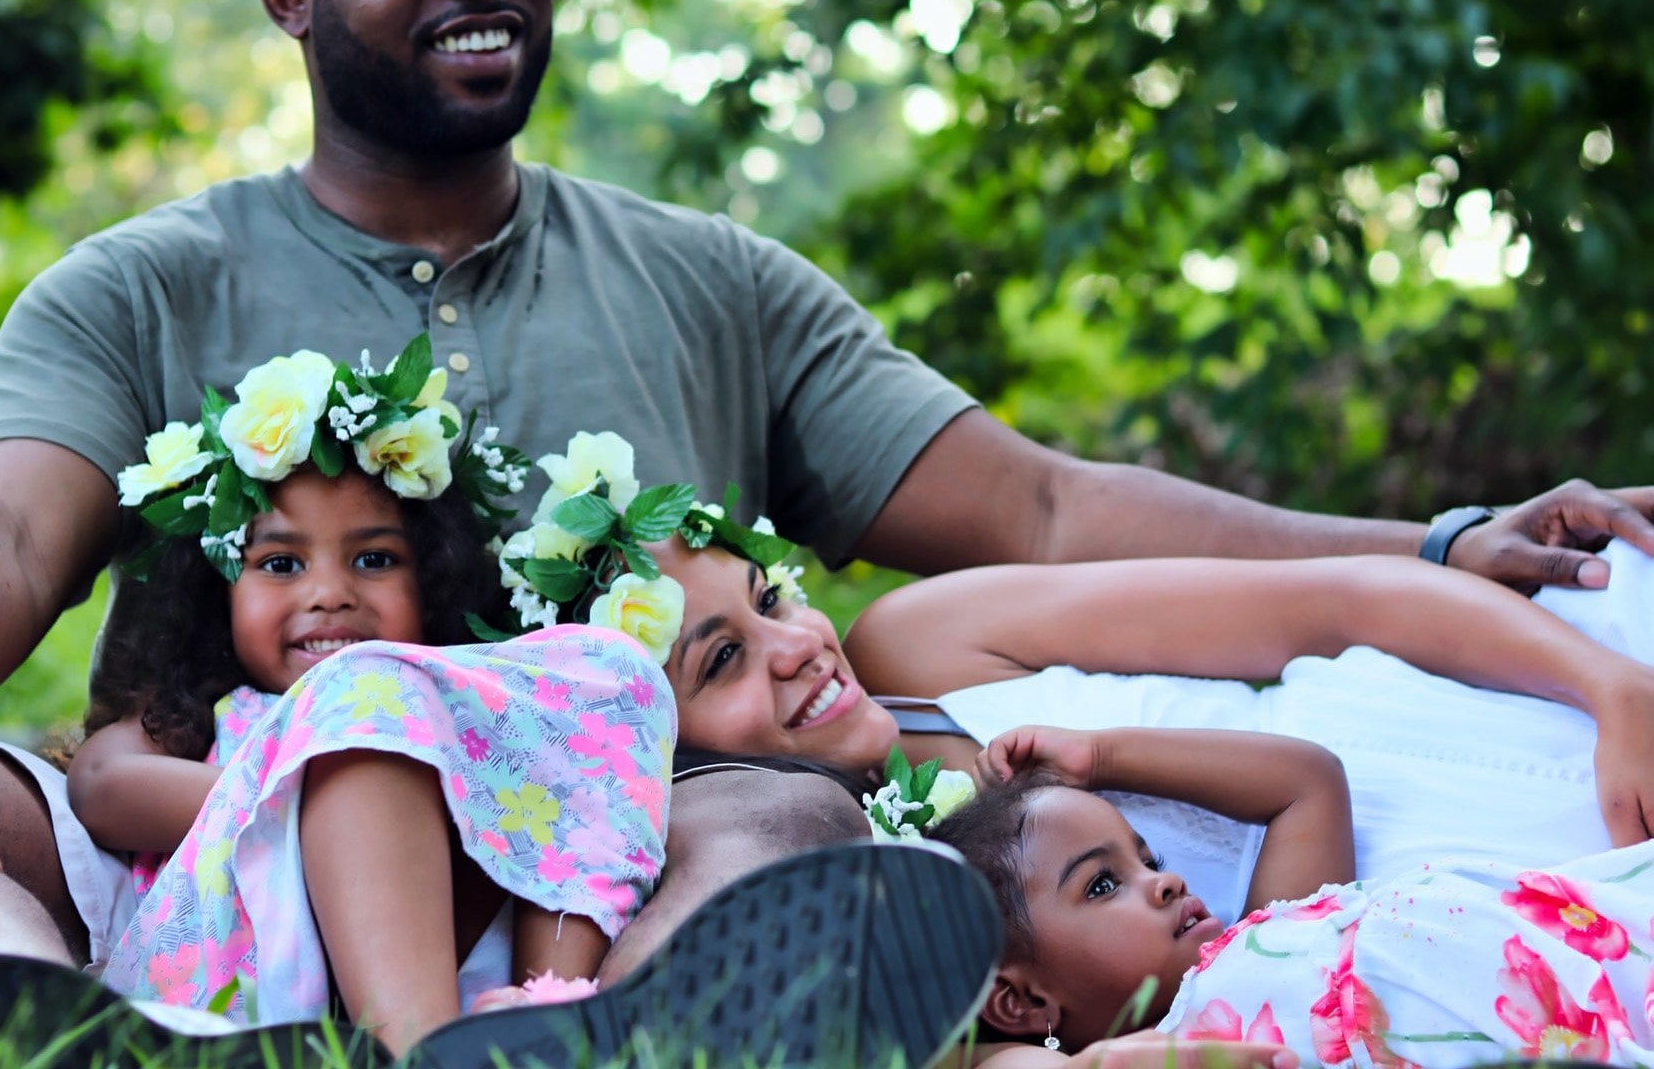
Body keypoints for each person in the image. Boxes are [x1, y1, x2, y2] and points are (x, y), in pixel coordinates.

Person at [0, 0, 1654, 1003]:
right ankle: (45, 1037)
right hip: (234, 829)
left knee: (795, 847)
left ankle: (578, 1047)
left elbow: (1047, 511)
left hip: (639, 867)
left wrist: (1436, 538)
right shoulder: (152, 280)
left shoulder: (712, 278)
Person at [459, 435, 1654, 981]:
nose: (798, 645)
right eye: (722, 659)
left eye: (769, 595)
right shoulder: (880, 925)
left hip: (1510, 704)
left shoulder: (920, 641)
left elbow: (1334, 603)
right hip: (1441, 921)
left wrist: (1609, 686)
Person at [65, 341, 671, 1055]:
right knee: (361, 709)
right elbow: (102, 785)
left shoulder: (441, 708)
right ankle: (426, 1050)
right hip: (233, 991)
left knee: (608, 667)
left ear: (434, 579)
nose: (329, 594)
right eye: (281, 563)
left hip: (458, 952)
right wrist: (332, 779)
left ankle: (547, 1004)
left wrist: (415, 789)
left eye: (374, 559)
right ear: (217, 590)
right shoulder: (209, 717)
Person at [935, 724, 1654, 1069]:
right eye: (1102, 883)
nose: (1166, 880)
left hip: (1600, 939)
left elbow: (1305, 781)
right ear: (1021, 1002)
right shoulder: (1173, 1053)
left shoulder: (1266, 928)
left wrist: (1102, 758)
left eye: (1147, 855)